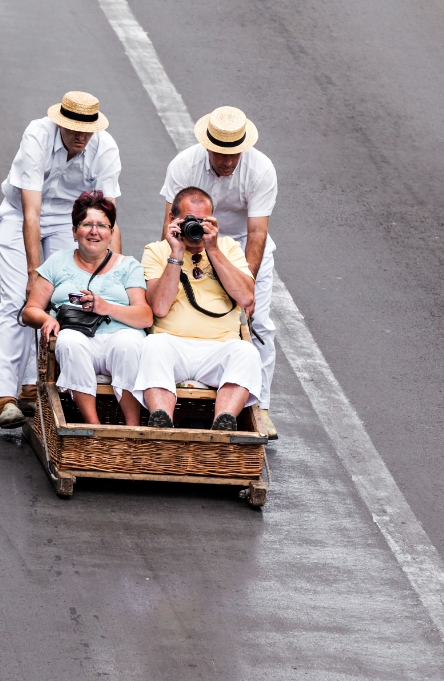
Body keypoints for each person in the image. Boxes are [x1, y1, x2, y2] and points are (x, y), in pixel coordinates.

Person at [0, 91, 122, 429]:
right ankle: (5, 397)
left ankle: (34, 386)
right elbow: (31, 212)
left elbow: (109, 217)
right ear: (59, 123)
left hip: (69, 220)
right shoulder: (37, 135)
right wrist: (35, 273)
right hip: (21, 214)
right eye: (73, 128)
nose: (80, 137)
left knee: (65, 300)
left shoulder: (105, 148)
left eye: (86, 130)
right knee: (18, 299)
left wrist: (115, 273)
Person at [160, 106, 279, 438]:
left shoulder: (261, 169)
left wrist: (246, 284)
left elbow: (257, 233)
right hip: (192, 241)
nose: (228, 161)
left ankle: (262, 408)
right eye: (221, 154)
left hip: (241, 243)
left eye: (234, 154)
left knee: (259, 325)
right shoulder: (183, 165)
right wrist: (169, 260)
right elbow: (169, 223)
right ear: (208, 146)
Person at [134, 187, 262, 431]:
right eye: (189, 220)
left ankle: (222, 424)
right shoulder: (156, 251)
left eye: (203, 221)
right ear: (172, 220)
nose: (196, 227)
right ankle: (162, 422)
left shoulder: (228, 248)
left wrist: (212, 249)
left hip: (220, 347)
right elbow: (159, 308)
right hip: (172, 345)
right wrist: (176, 253)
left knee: (247, 353)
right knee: (152, 346)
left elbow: (246, 297)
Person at [21, 192, 151, 426]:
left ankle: (133, 427)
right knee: (69, 340)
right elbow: (30, 310)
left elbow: (144, 316)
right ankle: (94, 426)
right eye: (87, 224)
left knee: (129, 344)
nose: (94, 231)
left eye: (102, 225)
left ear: (111, 233)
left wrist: (105, 306)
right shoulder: (57, 262)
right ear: (74, 231)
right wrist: (45, 320)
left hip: (119, 337)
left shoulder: (129, 265)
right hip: (77, 336)